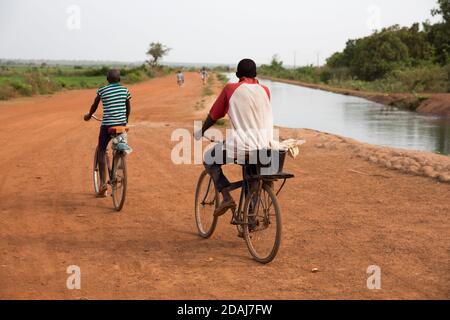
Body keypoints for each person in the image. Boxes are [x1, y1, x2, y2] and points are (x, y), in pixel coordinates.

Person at [194, 59, 273, 217]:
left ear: (237, 74)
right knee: (253, 174)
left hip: (243, 145)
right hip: (266, 145)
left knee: (209, 159)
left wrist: (201, 130)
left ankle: (227, 197)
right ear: (256, 74)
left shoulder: (231, 89)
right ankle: (250, 216)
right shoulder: (265, 90)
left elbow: (214, 115)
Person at [84, 69, 131, 197]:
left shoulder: (102, 90)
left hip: (107, 126)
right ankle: (119, 169)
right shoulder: (125, 90)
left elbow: (94, 105)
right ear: (119, 79)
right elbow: (128, 107)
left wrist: (89, 115)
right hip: (121, 125)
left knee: (101, 150)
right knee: (122, 148)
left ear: (107, 79)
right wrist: (125, 121)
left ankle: (103, 185)